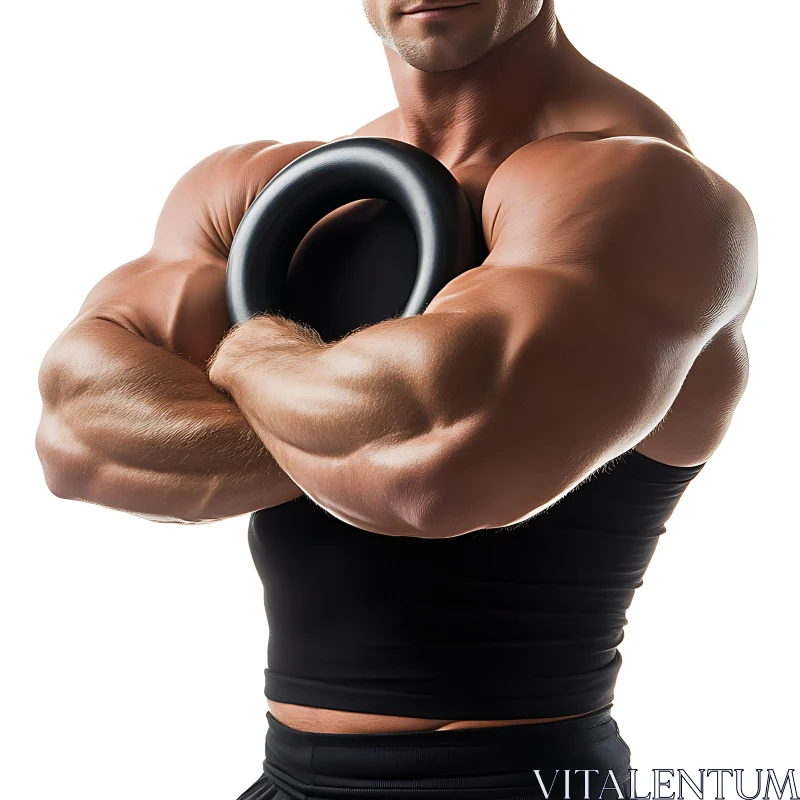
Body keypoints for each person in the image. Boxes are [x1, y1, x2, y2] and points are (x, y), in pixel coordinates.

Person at [35, 1, 757, 798]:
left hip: (506, 777)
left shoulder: (649, 191)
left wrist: (246, 351)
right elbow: (78, 434)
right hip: (283, 775)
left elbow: (429, 471)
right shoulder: (257, 191)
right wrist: (342, 424)